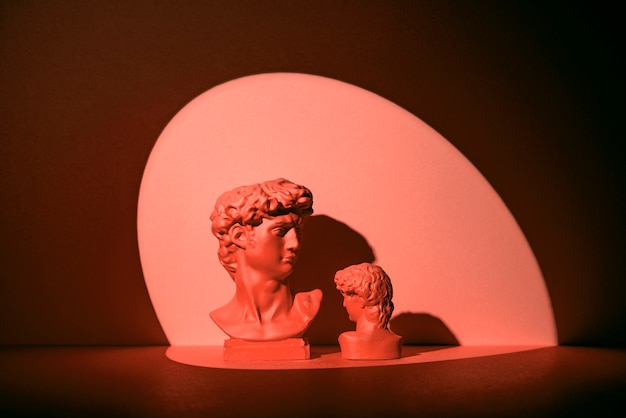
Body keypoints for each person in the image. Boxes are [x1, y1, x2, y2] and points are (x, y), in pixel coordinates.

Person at [209, 178, 322, 341]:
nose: (295, 244)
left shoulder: (307, 308)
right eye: (280, 231)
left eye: (298, 231)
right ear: (240, 236)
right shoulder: (224, 318)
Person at [334, 263, 402, 359]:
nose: (344, 304)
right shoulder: (395, 339)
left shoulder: (348, 339)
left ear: (361, 298)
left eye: (345, 297)